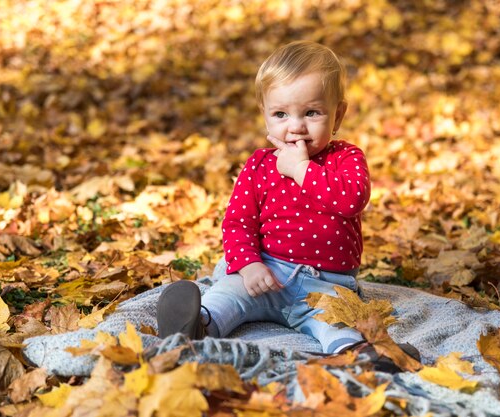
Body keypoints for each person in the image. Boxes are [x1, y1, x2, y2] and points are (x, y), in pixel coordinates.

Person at [158, 41, 417, 363]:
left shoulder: (345, 158)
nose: (295, 126)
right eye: (280, 114)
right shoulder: (258, 165)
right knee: (228, 295)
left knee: (337, 322)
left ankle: (356, 356)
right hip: (266, 272)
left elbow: (352, 200)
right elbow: (238, 223)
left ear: (338, 114)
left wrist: (301, 170)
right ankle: (196, 326)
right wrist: (249, 264)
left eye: (312, 112)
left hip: (327, 284)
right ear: (265, 116)